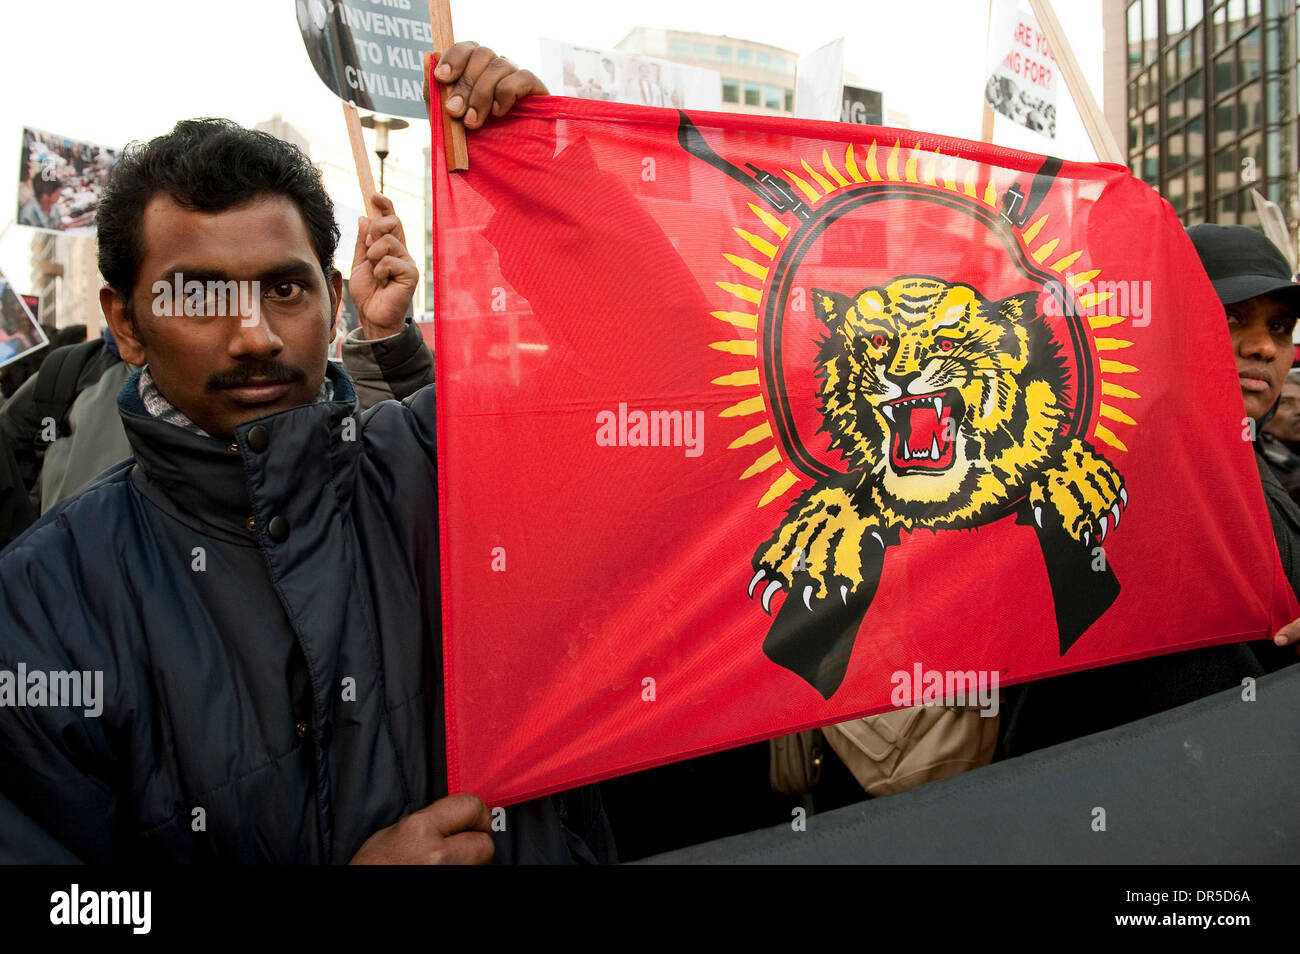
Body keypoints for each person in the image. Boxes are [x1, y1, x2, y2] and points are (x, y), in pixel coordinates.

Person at [0, 43, 616, 864]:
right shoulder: (42, 608)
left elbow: (673, 395)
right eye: (198, 296)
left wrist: (551, 182)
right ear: (124, 323)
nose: (252, 334)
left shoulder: (444, 466)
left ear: (333, 301)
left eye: (283, 289)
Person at [1000, 224, 1300, 755]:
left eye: (1279, 327)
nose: (1263, 347)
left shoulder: (1242, 457)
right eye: (1231, 317)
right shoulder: (1116, 463)